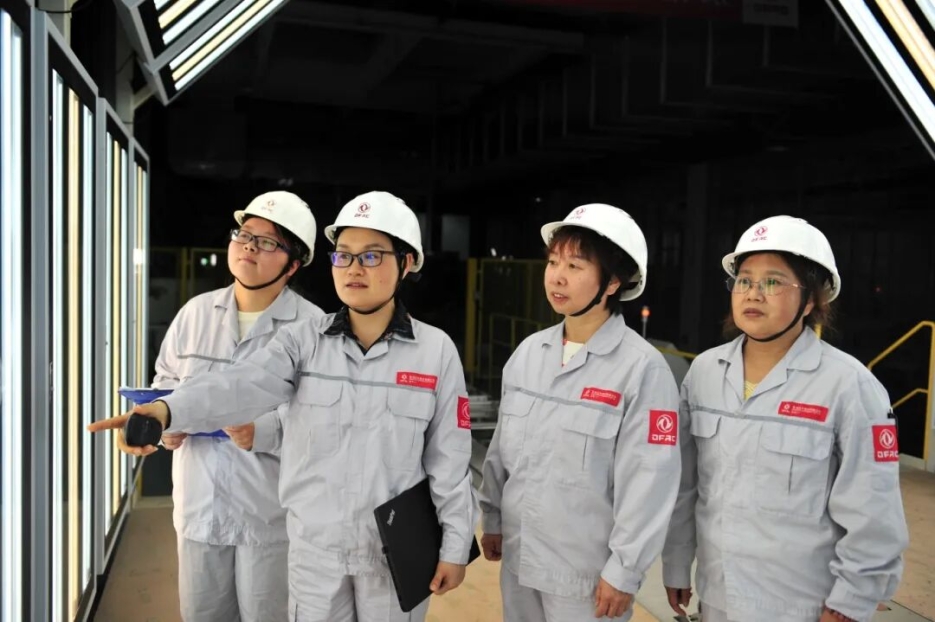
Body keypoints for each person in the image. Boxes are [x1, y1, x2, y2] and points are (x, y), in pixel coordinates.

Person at [91, 190, 476, 622]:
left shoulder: (434, 352)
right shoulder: (305, 341)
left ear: (406, 263)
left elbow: (450, 458)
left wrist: (455, 545)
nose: (353, 268)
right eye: (344, 255)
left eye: (371, 256)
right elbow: (238, 384)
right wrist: (165, 411)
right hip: (315, 553)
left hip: (393, 551)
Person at [661, 215, 909, 622]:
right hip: (718, 596)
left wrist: (852, 600)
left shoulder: (848, 385)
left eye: (773, 282)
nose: (753, 293)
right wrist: (675, 562)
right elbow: (686, 485)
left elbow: (873, 509)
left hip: (803, 607)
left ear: (811, 300)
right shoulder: (704, 373)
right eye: (744, 280)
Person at [478, 204, 682, 621]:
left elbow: (649, 482)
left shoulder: (641, 369)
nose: (557, 276)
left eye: (575, 265)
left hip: (588, 580)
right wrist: (492, 517)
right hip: (520, 563)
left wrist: (624, 571)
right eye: (553, 262)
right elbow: (502, 451)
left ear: (613, 281)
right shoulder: (528, 355)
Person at [155, 190, 323, 622]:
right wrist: (166, 423)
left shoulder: (313, 329)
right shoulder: (195, 314)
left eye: (267, 242)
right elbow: (166, 381)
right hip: (199, 507)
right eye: (244, 235)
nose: (249, 247)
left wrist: (262, 432)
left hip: (269, 516)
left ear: (293, 264)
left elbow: (323, 423)